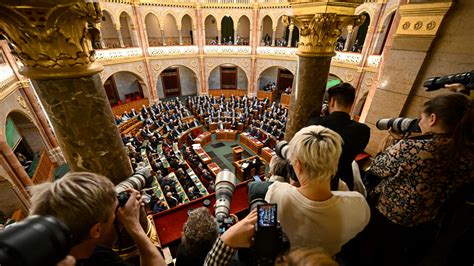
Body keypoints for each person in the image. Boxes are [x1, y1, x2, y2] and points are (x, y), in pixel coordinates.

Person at [361, 93, 473, 266]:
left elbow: (378, 168)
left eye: (421, 118)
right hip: (426, 223)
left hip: (389, 220)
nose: (418, 123)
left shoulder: (410, 147)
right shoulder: (468, 154)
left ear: (433, 119)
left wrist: (395, 145)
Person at [265, 125, 370, 256]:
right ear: (335, 161)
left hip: (288, 259)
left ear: (297, 164)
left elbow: (265, 235)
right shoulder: (358, 204)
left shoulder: (275, 193)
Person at [29, 172, 165, 266]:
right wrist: (133, 224)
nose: (115, 214)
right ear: (96, 230)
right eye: (114, 213)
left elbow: (97, 243)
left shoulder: (48, 252)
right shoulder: (102, 262)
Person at [307, 83, 370, 191]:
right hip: (343, 183)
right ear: (351, 104)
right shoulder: (363, 130)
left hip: (315, 181)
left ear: (331, 101)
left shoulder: (315, 123)